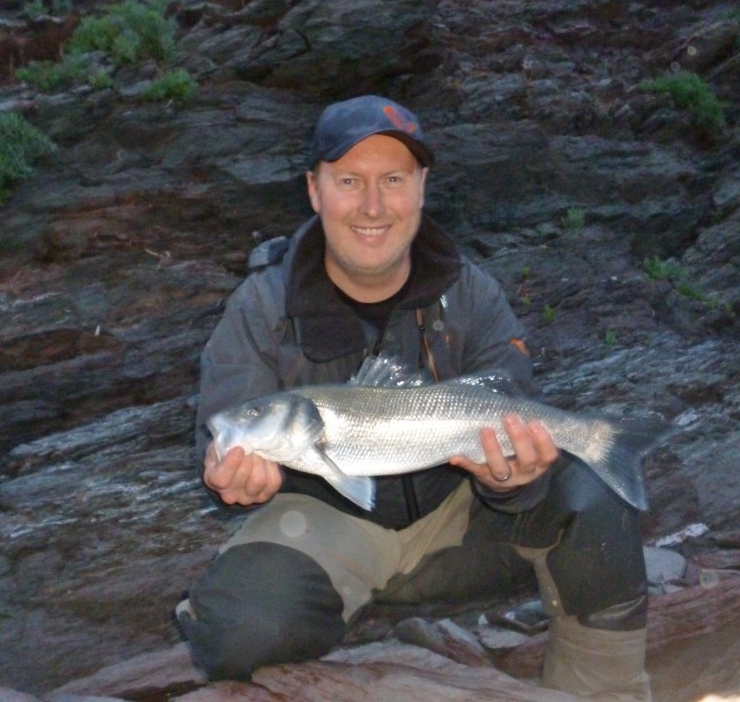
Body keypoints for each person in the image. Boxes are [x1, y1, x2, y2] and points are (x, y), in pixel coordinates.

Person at [176, 95, 652, 699]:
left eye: (393, 180)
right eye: (349, 180)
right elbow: (218, 441)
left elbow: (511, 403)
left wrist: (512, 480)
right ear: (314, 190)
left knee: (594, 491)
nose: (372, 205)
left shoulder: (472, 293)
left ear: (421, 188)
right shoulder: (259, 307)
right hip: (327, 523)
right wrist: (228, 477)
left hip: (460, 517)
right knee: (238, 631)